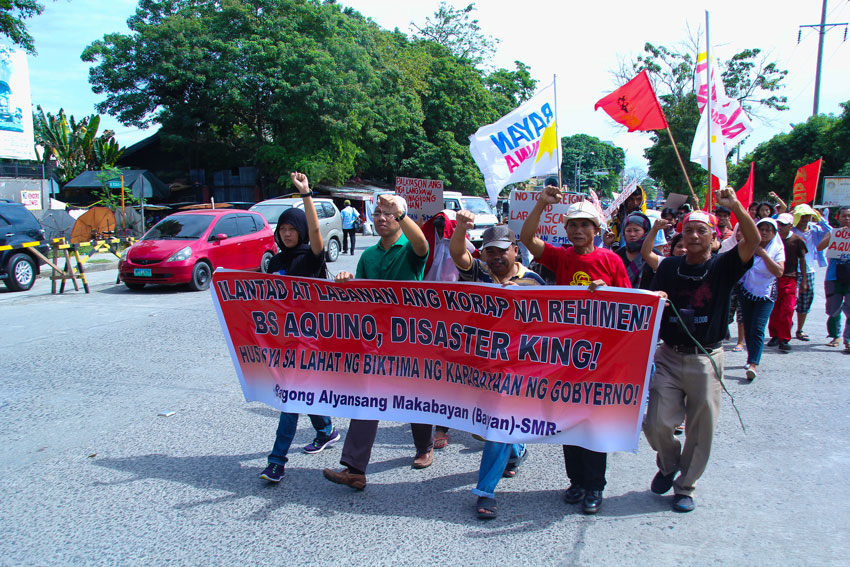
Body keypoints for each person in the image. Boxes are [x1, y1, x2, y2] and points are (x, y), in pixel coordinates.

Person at [644, 187, 760, 513]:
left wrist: (735, 204)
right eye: (688, 230)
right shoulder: (668, 267)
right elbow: (650, 304)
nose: (693, 236)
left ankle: (685, 486)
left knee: (701, 428)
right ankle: (668, 464)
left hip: (706, 359)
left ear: (714, 239)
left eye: (701, 231)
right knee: (656, 423)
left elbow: (752, 241)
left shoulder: (725, 266)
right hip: (668, 355)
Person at [520, 190, 632, 515]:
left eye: (585, 225)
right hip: (567, 356)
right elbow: (527, 238)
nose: (578, 231)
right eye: (573, 225)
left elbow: (630, 305)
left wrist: (607, 292)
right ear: (565, 229)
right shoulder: (562, 257)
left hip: (601, 358)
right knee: (569, 422)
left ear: (597, 230)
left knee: (593, 424)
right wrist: (542, 204)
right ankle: (576, 481)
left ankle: (595, 485)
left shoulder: (611, 261)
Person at [323, 193, 432, 490]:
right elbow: (359, 298)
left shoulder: (410, 249)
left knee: (415, 397)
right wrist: (346, 281)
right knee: (368, 398)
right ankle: (355, 469)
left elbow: (422, 245)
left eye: (388, 214)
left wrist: (401, 213)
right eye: (378, 214)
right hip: (377, 340)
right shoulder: (368, 256)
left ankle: (425, 447)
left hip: (410, 337)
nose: (382, 218)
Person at [449, 212, 545, 520]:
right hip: (482, 366)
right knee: (493, 422)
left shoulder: (535, 282)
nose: (495, 256)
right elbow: (457, 254)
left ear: (516, 249)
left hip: (517, 369)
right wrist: (462, 228)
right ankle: (516, 451)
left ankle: (485, 492)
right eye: (489, 250)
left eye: (501, 249)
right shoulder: (479, 272)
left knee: (498, 423)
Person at [259, 172, 340, 483]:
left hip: (312, 340)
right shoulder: (275, 261)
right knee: (302, 392)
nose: (288, 233)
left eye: (293, 228)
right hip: (284, 340)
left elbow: (317, 233)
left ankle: (276, 461)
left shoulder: (312, 257)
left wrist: (306, 195)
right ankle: (326, 430)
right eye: (283, 229)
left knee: (291, 397)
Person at [738, 218, 785, 380]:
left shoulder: (778, 248)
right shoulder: (749, 245)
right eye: (761, 229)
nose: (764, 232)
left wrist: (763, 254)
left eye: (768, 230)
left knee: (758, 328)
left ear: (774, 233)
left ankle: (753, 363)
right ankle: (751, 356)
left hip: (766, 293)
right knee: (749, 326)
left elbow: (778, 272)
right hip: (747, 290)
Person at [767, 213, 808, 352]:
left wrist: (804, 281)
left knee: (788, 308)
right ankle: (775, 335)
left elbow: (802, 260)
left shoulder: (797, 240)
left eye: (784, 225)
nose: (780, 227)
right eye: (779, 224)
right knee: (774, 309)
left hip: (790, 278)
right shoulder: (773, 239)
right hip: (773, 277)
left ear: (791, 226)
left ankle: (785, 338)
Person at [791, 204, 831, 341]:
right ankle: (784, 328)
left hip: (808, 271)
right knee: (789, 302)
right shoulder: (791, 230)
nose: (804, 218)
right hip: (791, 270)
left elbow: (831, 232)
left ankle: (800, 329)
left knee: (805, 302)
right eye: (802, 215)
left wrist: (820, 218)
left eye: (807, 215)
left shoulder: (815, 230)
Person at [817, 205, 850, 352]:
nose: (847, 219)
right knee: (833, 309)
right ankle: (835, 335)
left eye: (849, 216)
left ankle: (847, 339)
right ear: (838, 218)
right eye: (844, 216)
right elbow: (819, 247)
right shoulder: (833, 232)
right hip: (833, 277)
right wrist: (833, 235)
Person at [613, 211, 656, 289]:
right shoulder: (617, 256)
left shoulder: (655, 255)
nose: (632, 234)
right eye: (628, 231)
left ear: (645, 232)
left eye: (636, 230)